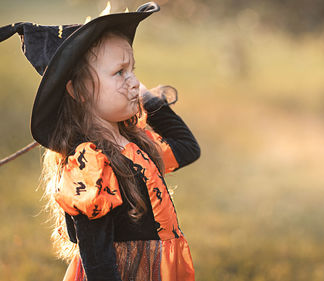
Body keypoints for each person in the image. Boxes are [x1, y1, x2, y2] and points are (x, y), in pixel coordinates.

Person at [0, 2, 199, 281]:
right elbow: (98, 262)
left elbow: (188, 148)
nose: (133, 81)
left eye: (133, 70)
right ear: (77, 90)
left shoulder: (135, 141)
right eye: (119, 72)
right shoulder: (90, 165)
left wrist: (144, 96)